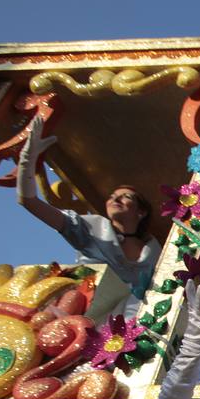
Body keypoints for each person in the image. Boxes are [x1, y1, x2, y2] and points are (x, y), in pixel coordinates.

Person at [16, 116, 159, 317]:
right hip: (77, 311)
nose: (114, 200)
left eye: (125, 197)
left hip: (125, 326)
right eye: (111, 197)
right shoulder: (91, 226)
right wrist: (27, 159)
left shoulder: (157, 252)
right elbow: (29, 201)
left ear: (141, 211)